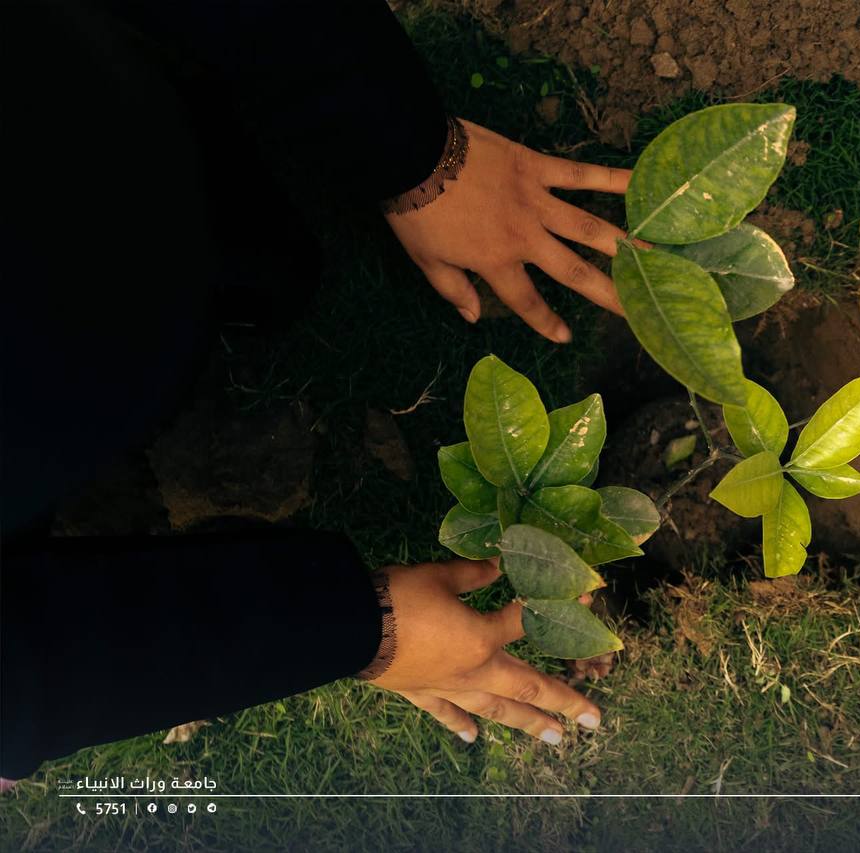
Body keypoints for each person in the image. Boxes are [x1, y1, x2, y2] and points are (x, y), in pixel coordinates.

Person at [0, 0, 634, 781]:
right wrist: (353, 628)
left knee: (247, 252)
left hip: (90, 130)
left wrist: (415, 154)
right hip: (73, 351)